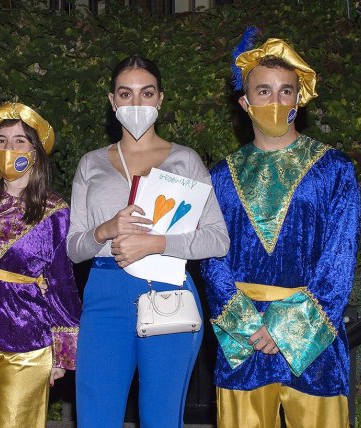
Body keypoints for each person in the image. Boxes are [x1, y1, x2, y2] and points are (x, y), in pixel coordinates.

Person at [201, 30, 361, 428]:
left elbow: (339, 261)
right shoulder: (219, 176)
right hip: (243, 339)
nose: (275, 102)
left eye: (285, 91)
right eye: (264, 91)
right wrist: (248, 325)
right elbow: (209, 255)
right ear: (245, 101)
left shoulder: (335, 170)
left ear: (298, 98)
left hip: (312, 341)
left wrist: (287, 328)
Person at [68, 55, 230, 428]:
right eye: (126, 94)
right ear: (112, 101)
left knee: (161, 417)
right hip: (105, 294)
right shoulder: (89, 163)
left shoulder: (185, 160)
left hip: (167, 292)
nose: (136, 104)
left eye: (146, 93)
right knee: (96, 417)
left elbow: (217, 239)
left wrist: (157, 244)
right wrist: (105, 230)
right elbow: (74, 248)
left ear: (160, 99)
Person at [0, 102, 81, 428]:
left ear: (36, 152)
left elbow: (61, 282)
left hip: (26, 339)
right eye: (1, 141)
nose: (8, 148)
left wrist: (62, 351)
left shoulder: (54, 210)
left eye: (19, 141)